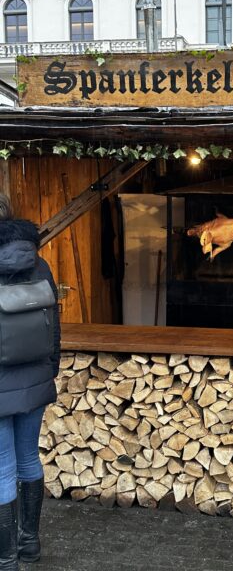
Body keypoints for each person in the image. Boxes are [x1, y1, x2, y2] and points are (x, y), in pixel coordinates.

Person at [0, 194, 60, 570]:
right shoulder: (40, 264)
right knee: (27, 459)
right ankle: (29, 545)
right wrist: (50, 368)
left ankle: (6, 557)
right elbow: (54, 326)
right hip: (36, 377)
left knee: (2, 466)